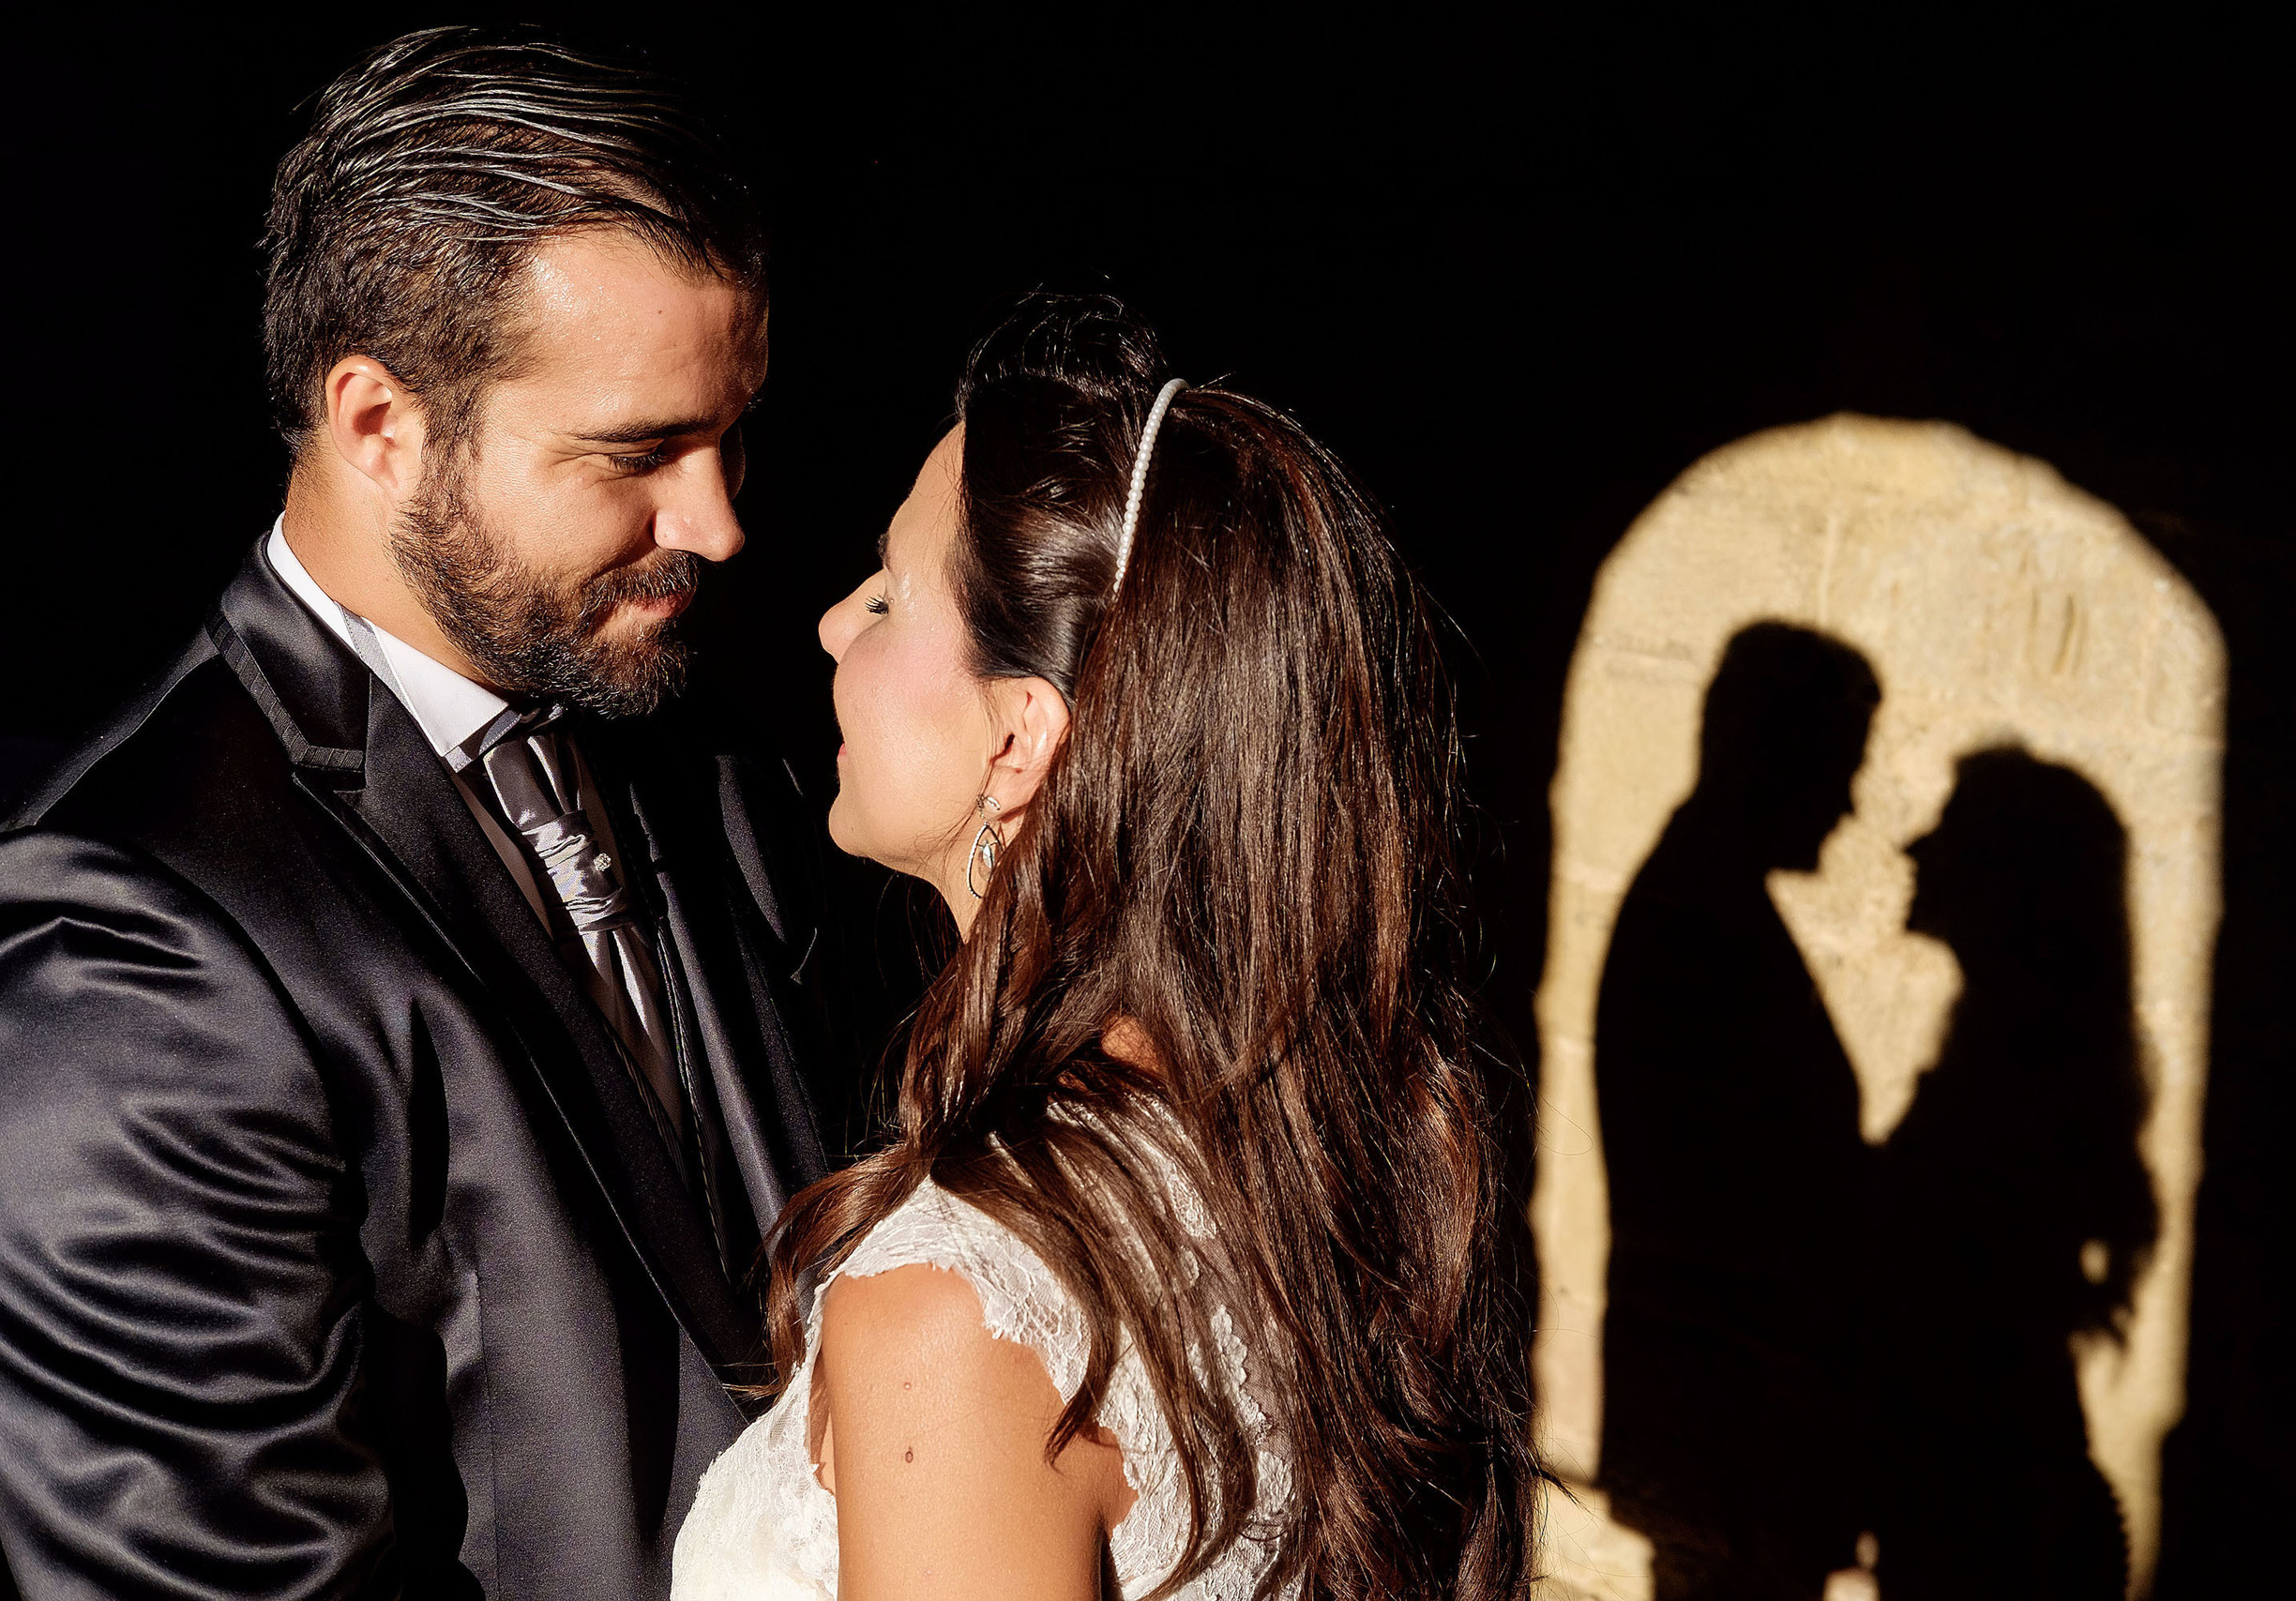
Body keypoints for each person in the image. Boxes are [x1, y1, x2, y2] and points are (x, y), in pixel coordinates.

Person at [0, 28, 842, 1599]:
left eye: (733, 434)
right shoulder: (139, 937)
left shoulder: (717, 771)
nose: (718, 523)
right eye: (639, 453)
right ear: (381, 425)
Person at [671, 296, 1539, 1598]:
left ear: (1019, 738)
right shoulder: (1318, 1156)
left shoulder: (959, 1312)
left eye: (892, 594)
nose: (832, 625)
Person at [1590, 621, 1880, 1599]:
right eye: (1839, 764)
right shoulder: (1699, 927)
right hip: (1733, 1431)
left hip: (1740, 1433)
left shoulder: (1710, 907)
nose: (1847, 804)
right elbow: (1736, 1196)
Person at [1871, 747, 2155, 1600]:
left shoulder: (2012, 1084)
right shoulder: (2020, 1062)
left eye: (1950, 831)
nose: (1915, 849)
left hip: (1984, 1502)